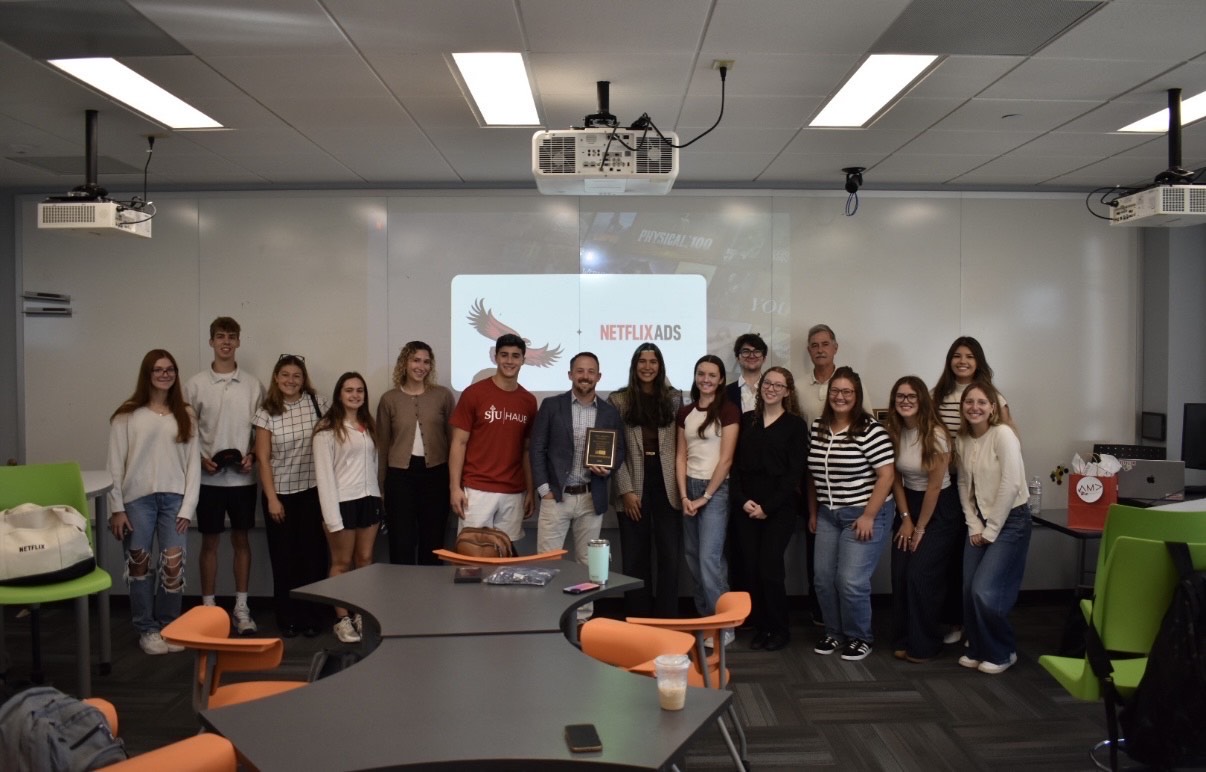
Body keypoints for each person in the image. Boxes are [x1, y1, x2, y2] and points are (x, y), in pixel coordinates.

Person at [106, 350, 200, 655]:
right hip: (137, 501)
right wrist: (116, 508)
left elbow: (193, 467)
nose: (165, 374)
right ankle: (147, 628)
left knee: (173, 565)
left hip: (174, 500)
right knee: (140, 566)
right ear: (147, 374)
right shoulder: (127, 415)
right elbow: (114, 466)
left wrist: (188, 507)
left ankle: (169, 625)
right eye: (158, 370)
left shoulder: (185, 413)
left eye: (170, 369)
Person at [807, 366, 895, 662]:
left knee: (850, 581)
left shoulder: (870, 430)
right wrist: (814, 511)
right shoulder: (819, 426)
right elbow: (812, 474)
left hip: (863, 513)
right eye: (835, 391)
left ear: (856, 396)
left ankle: (860, 637)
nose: (840, 397)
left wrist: (869, 515)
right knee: (822, 578)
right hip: (829, 514)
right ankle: (834, 631)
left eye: (847, 392)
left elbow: (886, 476)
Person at [183, 316, 264, 634]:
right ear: (211, 342)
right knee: (210, 543)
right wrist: (200, 460)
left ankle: (241, 607)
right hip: (208, 481)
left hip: (243, 480)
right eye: (220, 336)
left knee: (242, 540)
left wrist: (254, 456)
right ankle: (208, 608)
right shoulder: (195, 385)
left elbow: (261, 431)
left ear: (239, 341)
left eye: (232, 336)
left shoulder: (253, 385)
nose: (226, 342)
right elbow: (186, 433)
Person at [530, 352, 625, 619]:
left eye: (591, 371)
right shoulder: (551, 406)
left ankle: (583, 619)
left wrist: (608, 468)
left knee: (588, 565)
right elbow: (537, 449)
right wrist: (543, 490)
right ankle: (549, 618)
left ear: (599, 376)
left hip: (590, 498)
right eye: (580, 371)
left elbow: (619, 452)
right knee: (547, 562)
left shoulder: (609, 411)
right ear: (570, 374)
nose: (585, 376)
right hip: (556, 496)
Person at [931, 336, 1011, 644]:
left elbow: (1007, 431)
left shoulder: (991, 395)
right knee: (952, 559)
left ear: (978, 361)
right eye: (956, 356)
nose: (962, 361)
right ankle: (955, 622)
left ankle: (974, 625)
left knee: (977, 560)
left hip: (983, 486)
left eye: (969, 356)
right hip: (949, 484)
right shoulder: (937, 394)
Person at [885, 376, 963, 662]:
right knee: (901, 572)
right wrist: (905, 518)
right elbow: (895, 479)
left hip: (940, 508)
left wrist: (919, 528)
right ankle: (904, 638)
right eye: (900, 396)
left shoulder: (936, 434)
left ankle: (926, 643)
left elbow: (934, 486)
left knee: (920, 574)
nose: (905, 401)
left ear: (922, 401)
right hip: (909, 503)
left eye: (911, 397)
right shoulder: (893, 430)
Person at [955, 381, 1031, 675]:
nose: (974, 407)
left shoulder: (1003, 435)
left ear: (993, 408)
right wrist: (974, 522)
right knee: (967, 589)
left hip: (1011, 521)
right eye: (969, 402)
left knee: (985, 591)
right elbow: (964, 483)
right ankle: (978, 647)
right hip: (980, 520)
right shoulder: (962, 439)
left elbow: (1011, 484)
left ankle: (1002, 652)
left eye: (981, 402)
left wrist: (991, 529)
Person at [252, 354, 330, 638]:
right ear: (276, 377)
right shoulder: (266, 411)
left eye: (296, 376)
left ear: (303, 379)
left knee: (313, 558)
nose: (291, 380)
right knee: (285, 561)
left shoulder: (318, 403)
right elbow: (263, 458)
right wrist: (272, 498)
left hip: (312, 492)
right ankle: (288, 617)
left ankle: (313, 616)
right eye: (285, 375)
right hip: (280, 496)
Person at [730, 367, 808, 651]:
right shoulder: (747, 420)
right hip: (746, 508)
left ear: (788, 391)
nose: (771, 388)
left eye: (779, 385)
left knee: (770, 569)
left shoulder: (796, 426)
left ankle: (779, 629)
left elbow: (794, 475)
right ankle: (762, 626)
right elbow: (735, 466)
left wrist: (768, 507)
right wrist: (742, 501)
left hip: (779, 509)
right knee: (750, 568)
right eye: (768, 383)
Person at [608, 343, 684, 617]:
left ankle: (667, 618)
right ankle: (637, 617)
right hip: (633, 483)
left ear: (660, 366)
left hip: (667, 483)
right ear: (634, 365)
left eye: (653, 362)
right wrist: (625, 491)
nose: (648, 367)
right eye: (643, 361)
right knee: (635, 556)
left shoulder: (674, 398)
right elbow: (614, 450)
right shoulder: (619, 401)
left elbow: (680, 445)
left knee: (670, 557)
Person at [448, 333, 538, 550]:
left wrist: (530, 490)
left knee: (505, 558)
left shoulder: (528, 401)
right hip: (477, 489)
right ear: (495, 357)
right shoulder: (474, 394)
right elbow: (458, 443)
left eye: (516, 356)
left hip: (514, 492)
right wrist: (454, 488)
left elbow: (526, 450)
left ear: (523, 360)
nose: (510, 361)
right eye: (504, 355)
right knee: (472, 559)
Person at [313, 372, 383, 644]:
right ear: (339, 394)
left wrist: (378, 500)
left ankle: (360, 614)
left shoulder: (368, 425)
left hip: (369, 500)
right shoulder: (327, 430)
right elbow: (324, 477)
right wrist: (332, 518)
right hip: (341, 503)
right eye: (349, 390)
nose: (355, 395)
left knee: (365, 562)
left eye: (360, 391)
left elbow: (374, 466)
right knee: (341, 563)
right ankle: (341, 619)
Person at [676, 354, 740, 645]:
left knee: (709, 560)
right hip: (689, 489)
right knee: (692, 557)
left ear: (721, 379)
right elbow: (680, 456)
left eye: (712, 375)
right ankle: (706, 619)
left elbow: (726, 460)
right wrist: (684, 495)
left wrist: (705, 496)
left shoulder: (728, 411)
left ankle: (724, 625)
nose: (706, 379)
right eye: (701, 373)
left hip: (716, 490)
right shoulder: (685, 412)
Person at [376, 341, 456, 565]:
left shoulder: (442, 396)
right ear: (405, 363)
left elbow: (454, 441)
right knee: (401, 540)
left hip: (436, 474)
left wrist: (454, 482)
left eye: (426, 361)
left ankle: (429, 596)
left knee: (433, 540)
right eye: (416, 360)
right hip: (399, 476)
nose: (421, 366)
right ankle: (401, 596)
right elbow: (382, 446)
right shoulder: (389, 399)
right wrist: (381, 486)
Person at [799, 323, 840, 627]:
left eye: (825, 344)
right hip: (812, 477)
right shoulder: (799, 388)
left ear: (835, 347)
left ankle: (843, 608)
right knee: (815, 541)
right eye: (814, 345)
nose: (820, 349)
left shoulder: (850, 383)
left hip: (846, 477)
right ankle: (820, 610)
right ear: (809, 351)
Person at [725, 333, 767, 414]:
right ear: (737, 358)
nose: (751, 356)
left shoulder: (774, 389)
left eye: (757, 351)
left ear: (764, 358)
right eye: (746, 351)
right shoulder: (725, 392)